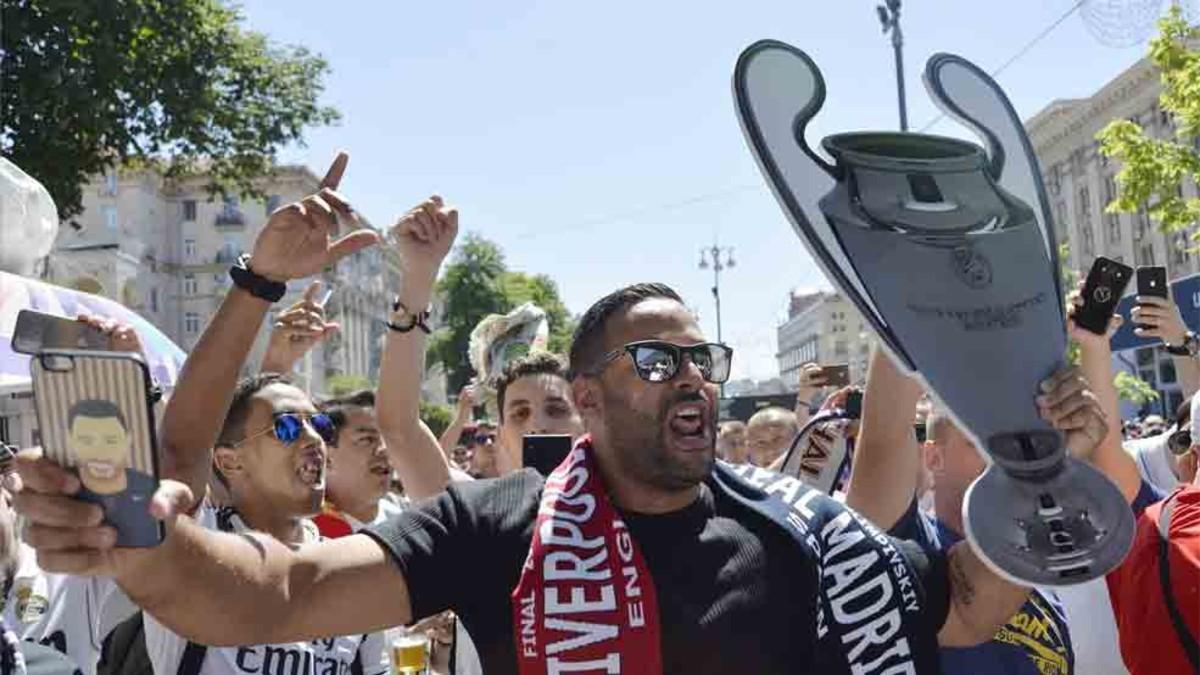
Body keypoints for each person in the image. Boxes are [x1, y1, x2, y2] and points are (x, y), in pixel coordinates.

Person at [13, 192, 1057, 674]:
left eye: (702, 360)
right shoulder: (497, 525)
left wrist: (1038, 471)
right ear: (591, 400)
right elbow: (278, 592)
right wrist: (133, 540)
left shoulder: (799, 527)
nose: (690, 377)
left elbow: (960, 607)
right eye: (656, 361)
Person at [845, 347, 1088, 674]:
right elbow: (883, 432)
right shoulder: (906, 545)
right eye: (980, 442)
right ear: (933, 458)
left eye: (1021, 442)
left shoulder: (1037, 573)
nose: (1004, 458)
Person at [313, 390, 402, 539]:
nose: (385, 449)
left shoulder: (406, 526)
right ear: (325, 457)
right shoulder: (302, 533)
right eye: (367, 439)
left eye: (388, 439)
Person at [492, 352, 585, 474]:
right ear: (501, 435)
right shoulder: (470, 493)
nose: (538, 426)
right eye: (521, 413)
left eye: (555, 410)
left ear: (585, 423)